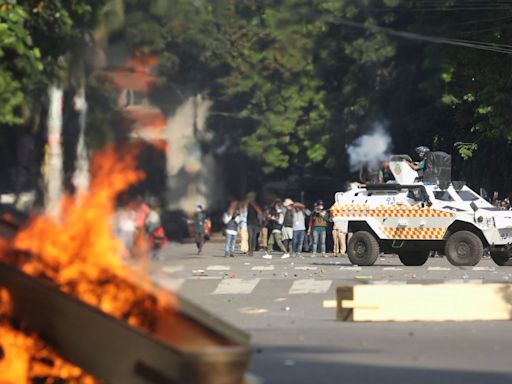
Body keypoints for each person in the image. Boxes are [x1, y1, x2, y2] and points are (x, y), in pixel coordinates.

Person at [245, 192, 262, 256]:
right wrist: (247, 202)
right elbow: (244, 208)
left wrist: (253, 204)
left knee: (254, 237)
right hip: (249, 223)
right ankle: (250, 251)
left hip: (255, 223)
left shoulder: (256, 204)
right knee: (250, 236)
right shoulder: (247, 204)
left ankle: (252, 249)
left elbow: (259, 211)